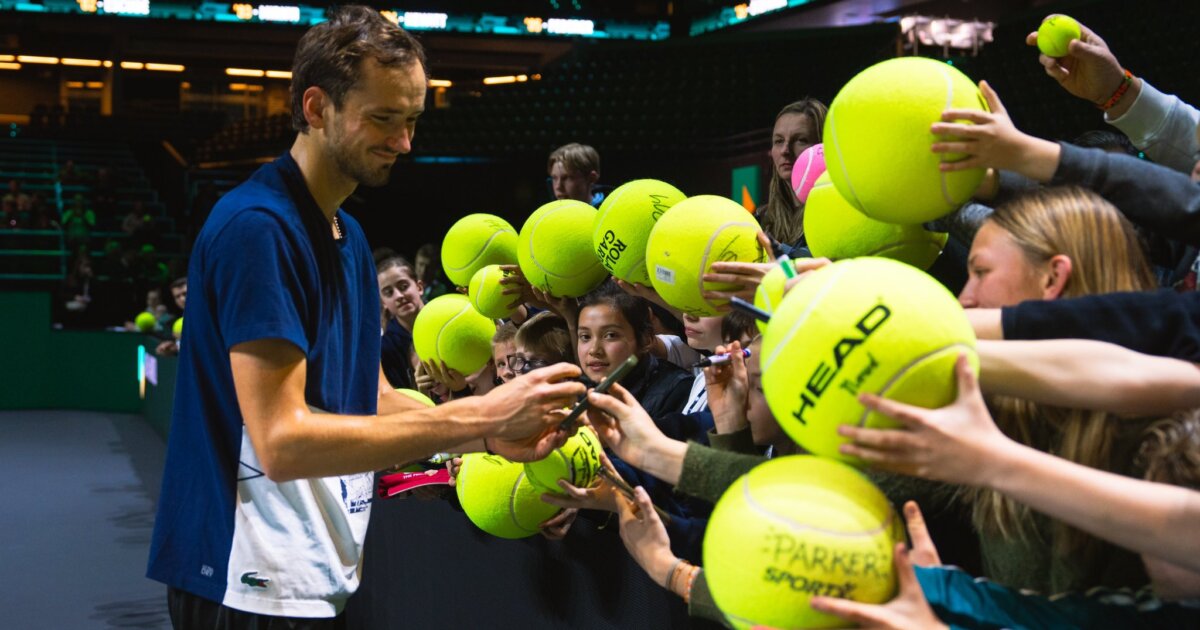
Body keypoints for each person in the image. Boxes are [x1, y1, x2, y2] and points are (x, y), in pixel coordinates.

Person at [146, 7, 584, 627]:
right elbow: (283, 440)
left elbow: (370, 401)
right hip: (245, 579)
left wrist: (489, 437)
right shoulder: (257, 230)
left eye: (411, 120)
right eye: (384, 118)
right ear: (317, 107)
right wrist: (476, 411)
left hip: (316, 574)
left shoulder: (346, 235)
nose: (404, 142)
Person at [756, 99, 825, 257]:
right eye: (779, 141)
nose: (785, 150)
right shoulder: (761, 219)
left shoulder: (839, 213)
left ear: (822, 147)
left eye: (801, 140)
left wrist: (779, 252)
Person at [376, 255, 423, 389]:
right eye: (388, 292)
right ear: (383, 303)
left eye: (403, 286)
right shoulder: (385, 350)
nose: (398, 296)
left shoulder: (447, 315)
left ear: (419, 287)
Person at [547, 142, 603, 206]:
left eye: (566, 178)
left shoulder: (609, 211)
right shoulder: (549, 212)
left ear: (591, 178)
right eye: (554, 178)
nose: (558, 187)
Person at [156, 277, 188, 356]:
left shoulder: (208, 314)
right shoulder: (183, 317)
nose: (182, 299)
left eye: (185, 294)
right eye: (177, 296)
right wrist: (175, 347)